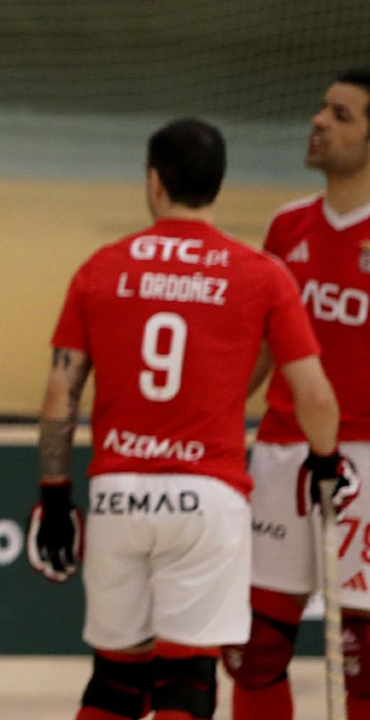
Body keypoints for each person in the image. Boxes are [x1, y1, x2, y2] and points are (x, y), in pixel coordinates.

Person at [27, 118, 349, 720]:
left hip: (118, 494)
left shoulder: (101, 267)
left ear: (153, 182)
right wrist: (328, 462)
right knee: (187, 682)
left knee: (115, 684)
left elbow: (58, 397)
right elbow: (316, 395)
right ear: (220, 185)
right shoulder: (261, 274)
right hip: (207, 498)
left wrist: (53, 495)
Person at [225, 67, 370, 720]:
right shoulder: (286, 228)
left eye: (342, 116)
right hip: (282, 454)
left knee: (362, 665)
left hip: (364, 463)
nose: (319, 122)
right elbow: (259, 351)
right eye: (321, 109)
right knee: (253, 652)